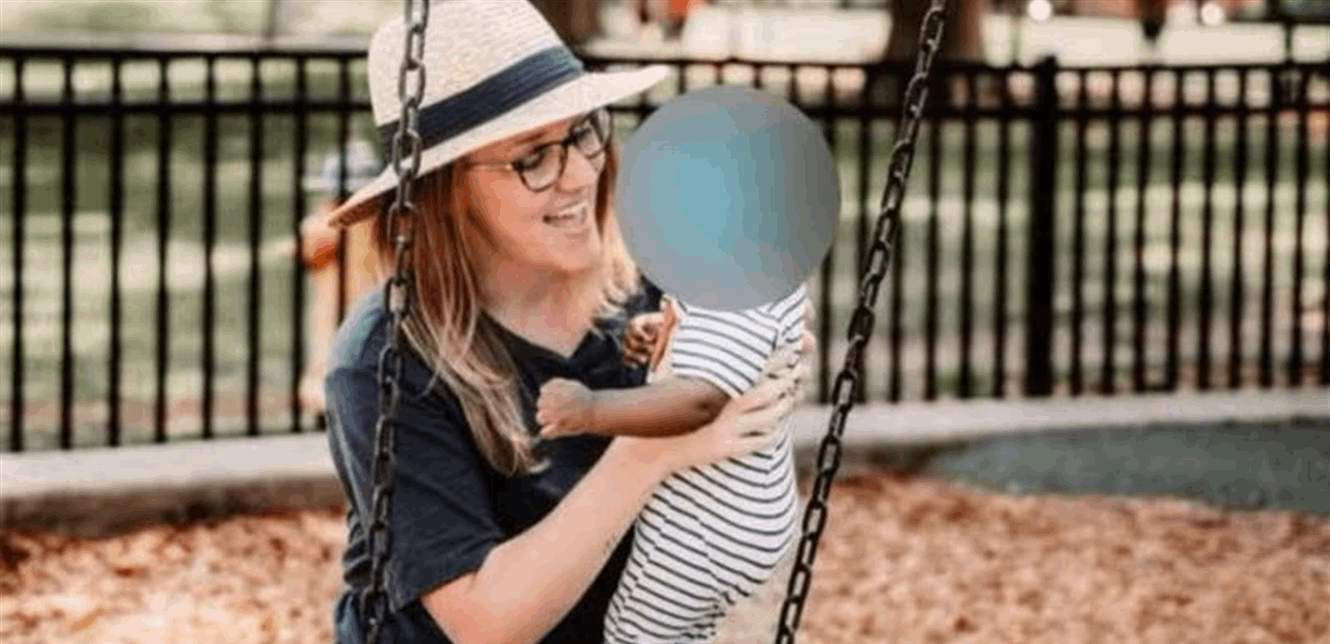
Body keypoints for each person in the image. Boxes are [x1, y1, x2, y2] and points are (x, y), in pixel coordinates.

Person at [319, 3, 814, 644]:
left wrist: (755, 364)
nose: (581, 173)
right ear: (445, 189)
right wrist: (652, 448)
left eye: (583, 132)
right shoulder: (386, 360)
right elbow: (486, 623)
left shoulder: (658, 283)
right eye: (532, 157)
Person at [536, 284, 810, 644]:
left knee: (634, 632)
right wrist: (667, 332)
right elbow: (730, 342)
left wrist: (591, 409)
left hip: (706, 520)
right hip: (745, 508)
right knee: (685, 632)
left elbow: (700, 401)